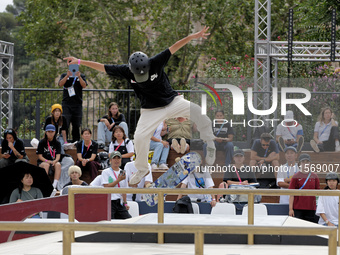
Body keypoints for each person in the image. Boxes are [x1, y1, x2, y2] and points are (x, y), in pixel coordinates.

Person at [64, 26, 216, 185]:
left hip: (172, 102)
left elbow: (175, 46)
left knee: (198, 110)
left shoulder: (156, 61)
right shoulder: (126, 70)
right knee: (139, 137)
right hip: (151, 110)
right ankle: (142, 168)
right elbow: (102, 67)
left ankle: (209, 141)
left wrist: (194, 36)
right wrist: (80, 62)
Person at [58, 65, 87, 142]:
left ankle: (76, 142)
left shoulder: (82, 76)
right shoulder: (64, 75)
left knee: (76, 125)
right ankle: (64, 141)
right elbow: (60, 84)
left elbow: (84, 85)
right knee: (65, 124)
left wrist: (79, 77)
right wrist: (67, 75)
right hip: (66, 104)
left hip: (77, 104)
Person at [289, 153, 320, 223]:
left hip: (311, 208)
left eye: (307, 162)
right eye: (303, 162)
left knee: (312, 229)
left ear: (310, 163)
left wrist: (318, 207)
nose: (305, 164)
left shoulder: (314, 176)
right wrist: (291, 209)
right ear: (299, 164)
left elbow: (318, 193)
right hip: (298, 208)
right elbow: (291, 195)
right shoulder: (295, 177)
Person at [101, 151, 132, 219]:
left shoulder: (123, 173)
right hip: (110, 201)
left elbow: (124, 190)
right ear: (110, 160)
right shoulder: (106, 172)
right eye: (114, 158)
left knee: (129, 220)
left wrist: (125, 203)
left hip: (119, 202)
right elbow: (106, 187)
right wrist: (118, 180)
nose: (116, 160)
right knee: (110, 221)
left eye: (118, 158)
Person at [36, 124, 61, 189]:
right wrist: (47, 161)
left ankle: (54, 185)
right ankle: (44, 184)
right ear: (46, 132)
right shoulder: (42, 142)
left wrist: (55, 161)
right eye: (49, 132)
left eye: (52, 132)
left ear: (55, 132)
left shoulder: (57, 142)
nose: (50, 133)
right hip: (43, 161)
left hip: (53, 161)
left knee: (58, 164)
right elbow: (40, 156)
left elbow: (58, 156)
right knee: (46, 165)